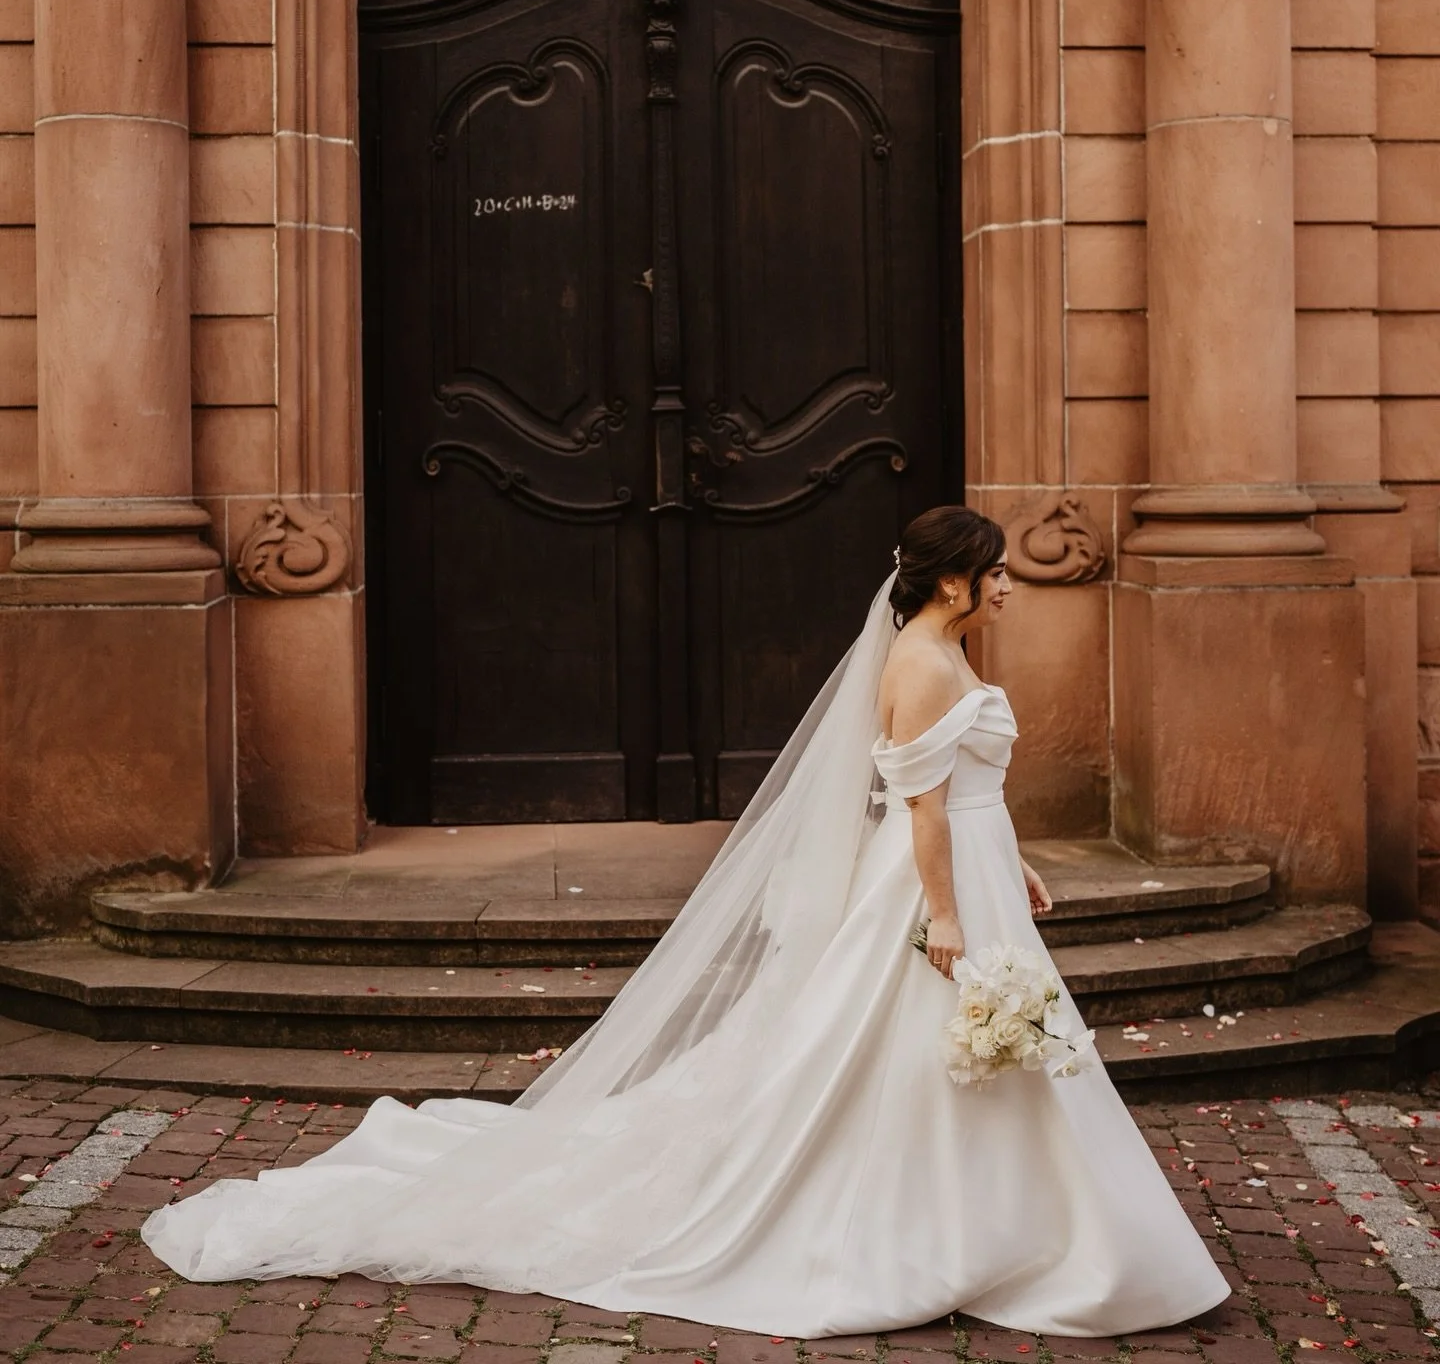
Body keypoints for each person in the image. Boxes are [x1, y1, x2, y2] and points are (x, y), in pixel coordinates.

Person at [144, 505, 1229, 1338]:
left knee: (963, 1052)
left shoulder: (942, 658)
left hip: (973, 869)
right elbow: (924, 812)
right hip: (932, 885)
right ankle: (957, 1225)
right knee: (902, 1045)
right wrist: (945, 915)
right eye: (994, 573)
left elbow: (964, 800)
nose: (1007, 587)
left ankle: (1017, 1224)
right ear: (953, 578)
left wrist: (1017, 863)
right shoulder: (923, 666)